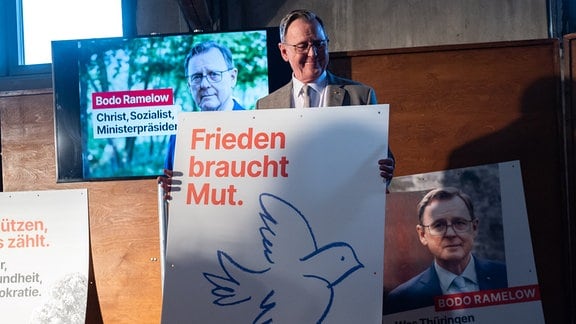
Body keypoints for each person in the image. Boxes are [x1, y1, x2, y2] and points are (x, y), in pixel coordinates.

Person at [256, 9, 394, 183]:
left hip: (344, 205)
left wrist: (385, 170)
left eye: (319, 44)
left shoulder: (361, 97)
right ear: (284, 52)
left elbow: (383, 160)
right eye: (302, 46)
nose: (313, 53)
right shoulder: (266, 107)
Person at [383, 187, 508, 314]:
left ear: (474, 228)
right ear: (422, 235)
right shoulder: (401, 300)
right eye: (438, 225)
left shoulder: (508, 277)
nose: (450, 234)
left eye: (459, 223)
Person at [161, 41, 244, 190]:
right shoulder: (180, 134)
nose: (204, 84)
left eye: (213, 74)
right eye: (197, 77)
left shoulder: (256, 127)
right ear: (189, 85)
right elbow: (172, 191)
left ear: (232, 77)